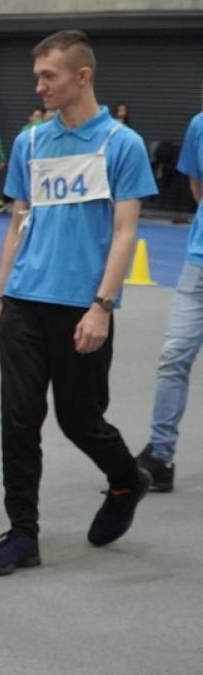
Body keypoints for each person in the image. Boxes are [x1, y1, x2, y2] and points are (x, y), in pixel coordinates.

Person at [0, 30, 158, 577]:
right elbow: (16, 225)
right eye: (37, 76)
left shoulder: (121, 144)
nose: (39, 86)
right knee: (18, 420)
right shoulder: (31, 142)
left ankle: (127, 479)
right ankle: (22, 534)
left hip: (81, 306)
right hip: (25, 302)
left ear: (82, 76)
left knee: (80, 419)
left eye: (48, 76)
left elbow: (125, 231)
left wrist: (102, 305)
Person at [139, 108, 203, 493]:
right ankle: (161, 455)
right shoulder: (199, 124)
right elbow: (197, 185)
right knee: (173, 356)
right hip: (198, 265)